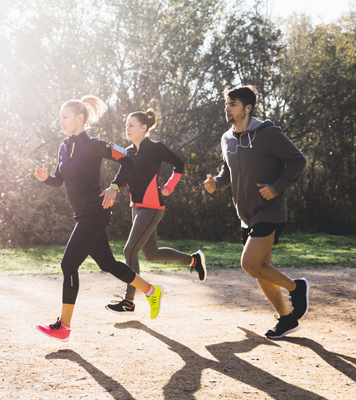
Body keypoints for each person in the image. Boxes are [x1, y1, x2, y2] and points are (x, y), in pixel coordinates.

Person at [34, 96, 164, 342]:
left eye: (64, 117)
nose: (60, 122)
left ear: (79, 119)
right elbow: (58, 180)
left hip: (95, 211)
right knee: (107, 263)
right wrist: (45, 178)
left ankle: (64, 326)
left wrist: (115, 186)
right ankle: (150, 290)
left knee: (68, 264)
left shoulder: (94, 145)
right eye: (60, 117)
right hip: (83, 214)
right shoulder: (63, 147)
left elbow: (128, 159)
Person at [203, 85, 309, 339]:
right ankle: (286, 318)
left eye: (233, 104)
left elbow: (298, 160)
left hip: (269, 210)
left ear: (247, 108)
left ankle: (297, 287)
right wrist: (216, 183)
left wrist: (277, 187)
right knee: (261, 268)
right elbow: (228, 171)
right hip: (245, 214)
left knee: (250, 264)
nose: (227, 109)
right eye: (226, 104)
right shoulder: (227, 138)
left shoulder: (268, 134)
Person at [105, 109, 206, 314]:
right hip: (137, 206)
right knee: (151, 254)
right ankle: (193, 259)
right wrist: (112, 186)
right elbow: (124, 180)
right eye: (126, 125)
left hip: (152, 206)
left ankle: (129, 301)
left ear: (144, 128)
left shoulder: (156, 148)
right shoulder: (128, 152)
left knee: (129, 250)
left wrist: (170, 185)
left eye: (132, 125)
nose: (128, 128)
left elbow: (179, 164)